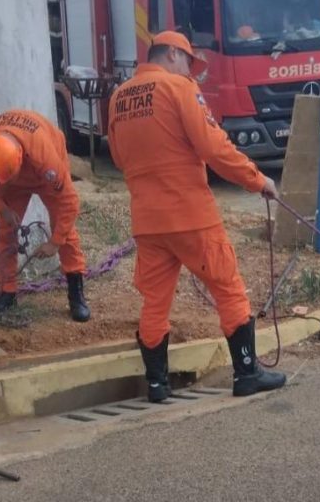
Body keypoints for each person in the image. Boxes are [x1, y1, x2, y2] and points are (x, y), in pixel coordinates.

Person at [107, 31, 285, 401]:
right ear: (173, 54)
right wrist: (258, 180)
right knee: (228, 288)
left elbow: (121, 159)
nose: (191, 71)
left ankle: (157, 385)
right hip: (191, 216)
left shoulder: (119, 98)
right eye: (189, 62)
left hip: (148, 220)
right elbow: (213, 146)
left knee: (155, 302)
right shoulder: (179, 89)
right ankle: (247, 373)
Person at [0, 109, 90, 321]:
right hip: (10, 177)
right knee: (6, 232)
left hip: (42, 173)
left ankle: (75, 293)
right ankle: (7, 292)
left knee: (64, 228)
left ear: (21, 157)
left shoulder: (44, 156)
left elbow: (69, 202)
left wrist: (55, 242)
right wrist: (0, 206)